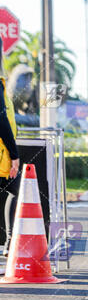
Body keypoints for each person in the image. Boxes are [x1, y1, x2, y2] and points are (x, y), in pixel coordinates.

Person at [0, 38, 20, 258]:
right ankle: (9, 243)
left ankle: (9, 243)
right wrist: (14, 153)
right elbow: (1, 118)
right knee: (13, 191)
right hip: (2, 151)